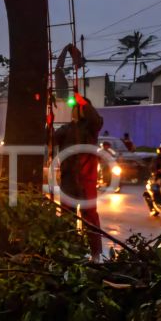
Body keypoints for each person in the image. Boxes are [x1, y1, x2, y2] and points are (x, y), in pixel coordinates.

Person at [53, 92, 104, 259]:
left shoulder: (91, 128)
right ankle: (71, 251)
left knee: (89, 216)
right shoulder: (66, 129)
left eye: (78, 107)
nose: (74, 111)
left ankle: (96, 253)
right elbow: (52, 139)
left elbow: (95, 119)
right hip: (68, 179)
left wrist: (84, 103)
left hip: (86, 178)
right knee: (67, 216)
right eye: (74, 108)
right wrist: (47, 125)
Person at [143, 141, 161, 217]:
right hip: (160, 178)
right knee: (160, 186)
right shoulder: (156, 158)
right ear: (160, 149)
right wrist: (157, 171)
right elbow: (152, 168)